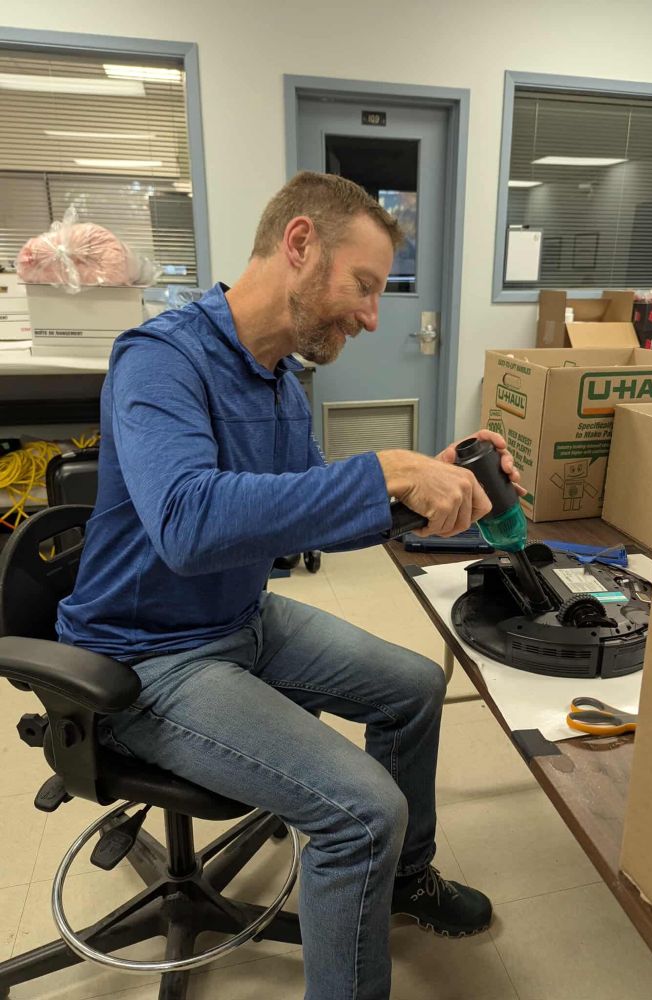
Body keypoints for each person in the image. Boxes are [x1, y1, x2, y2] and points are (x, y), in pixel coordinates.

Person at [57, 171, 521, 1000]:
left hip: (241, 620)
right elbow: (188, 523)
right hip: (149, 657)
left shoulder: (277, 379)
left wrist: (426, 491)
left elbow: (310, 524)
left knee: (414, 685)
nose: (373, 316)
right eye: (364, 286)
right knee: (359, 812)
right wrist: (381, 469)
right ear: (300, 245)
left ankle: (407, 878)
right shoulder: (158, 359)